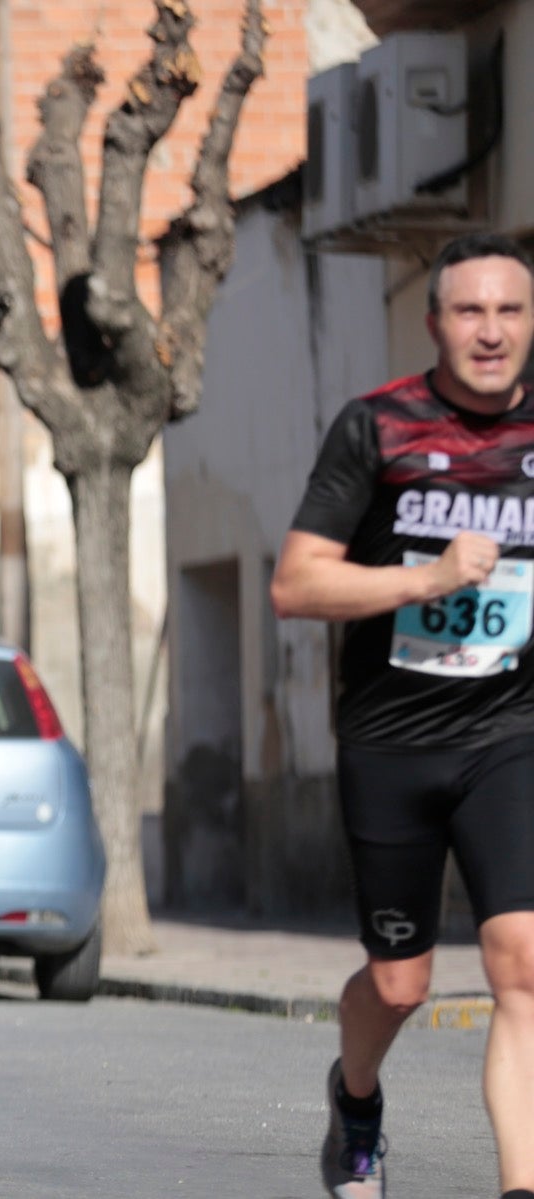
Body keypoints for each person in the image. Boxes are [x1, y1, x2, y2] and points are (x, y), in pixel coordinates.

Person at [271, 233, 534, 1199]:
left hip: (511, 730)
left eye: (510, 310)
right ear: (435, 325)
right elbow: (294, 586)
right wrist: (425, 576)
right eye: (470, 311)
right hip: (389, 742)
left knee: (525, 964)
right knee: (400, 983)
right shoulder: (377, 428)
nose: (492, 331)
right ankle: (356, 1098)